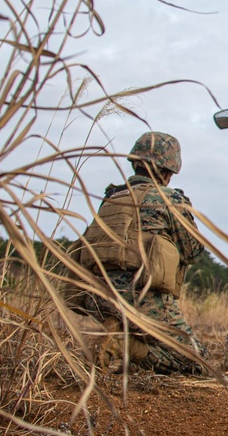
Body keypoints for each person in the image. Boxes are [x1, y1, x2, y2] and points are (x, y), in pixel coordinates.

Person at [69, 131, 207, 374]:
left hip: (96, 296)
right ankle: (126, 344)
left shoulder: (111, 198)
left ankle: (120, 333)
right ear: (167, 172)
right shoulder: (169, 199)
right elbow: (194, 252)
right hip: (141, 298)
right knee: (197, 363)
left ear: (135, 164)